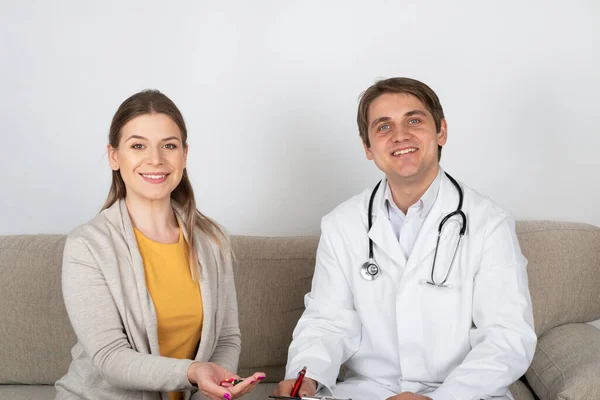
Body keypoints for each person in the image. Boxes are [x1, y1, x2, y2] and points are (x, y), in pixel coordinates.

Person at [275, 77, 537, 400]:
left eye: (414, 120)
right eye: (383, 127)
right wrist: (307, 376)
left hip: (464, 393)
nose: (400, 135)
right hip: (372, 392)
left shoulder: (489, 223)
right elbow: (327, 322)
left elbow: (508, 338)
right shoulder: (341, 225)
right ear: (368, 147)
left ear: (441, 131)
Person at [55, 90, 264, 400]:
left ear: (184, 154)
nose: (155, 159)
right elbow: (110, 358)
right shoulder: (87, 246)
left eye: (169, 145)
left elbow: (226, 339)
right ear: (114, 156)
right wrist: (193, 373)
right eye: (138, 145)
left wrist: (214, 390)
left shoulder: (212, 240)